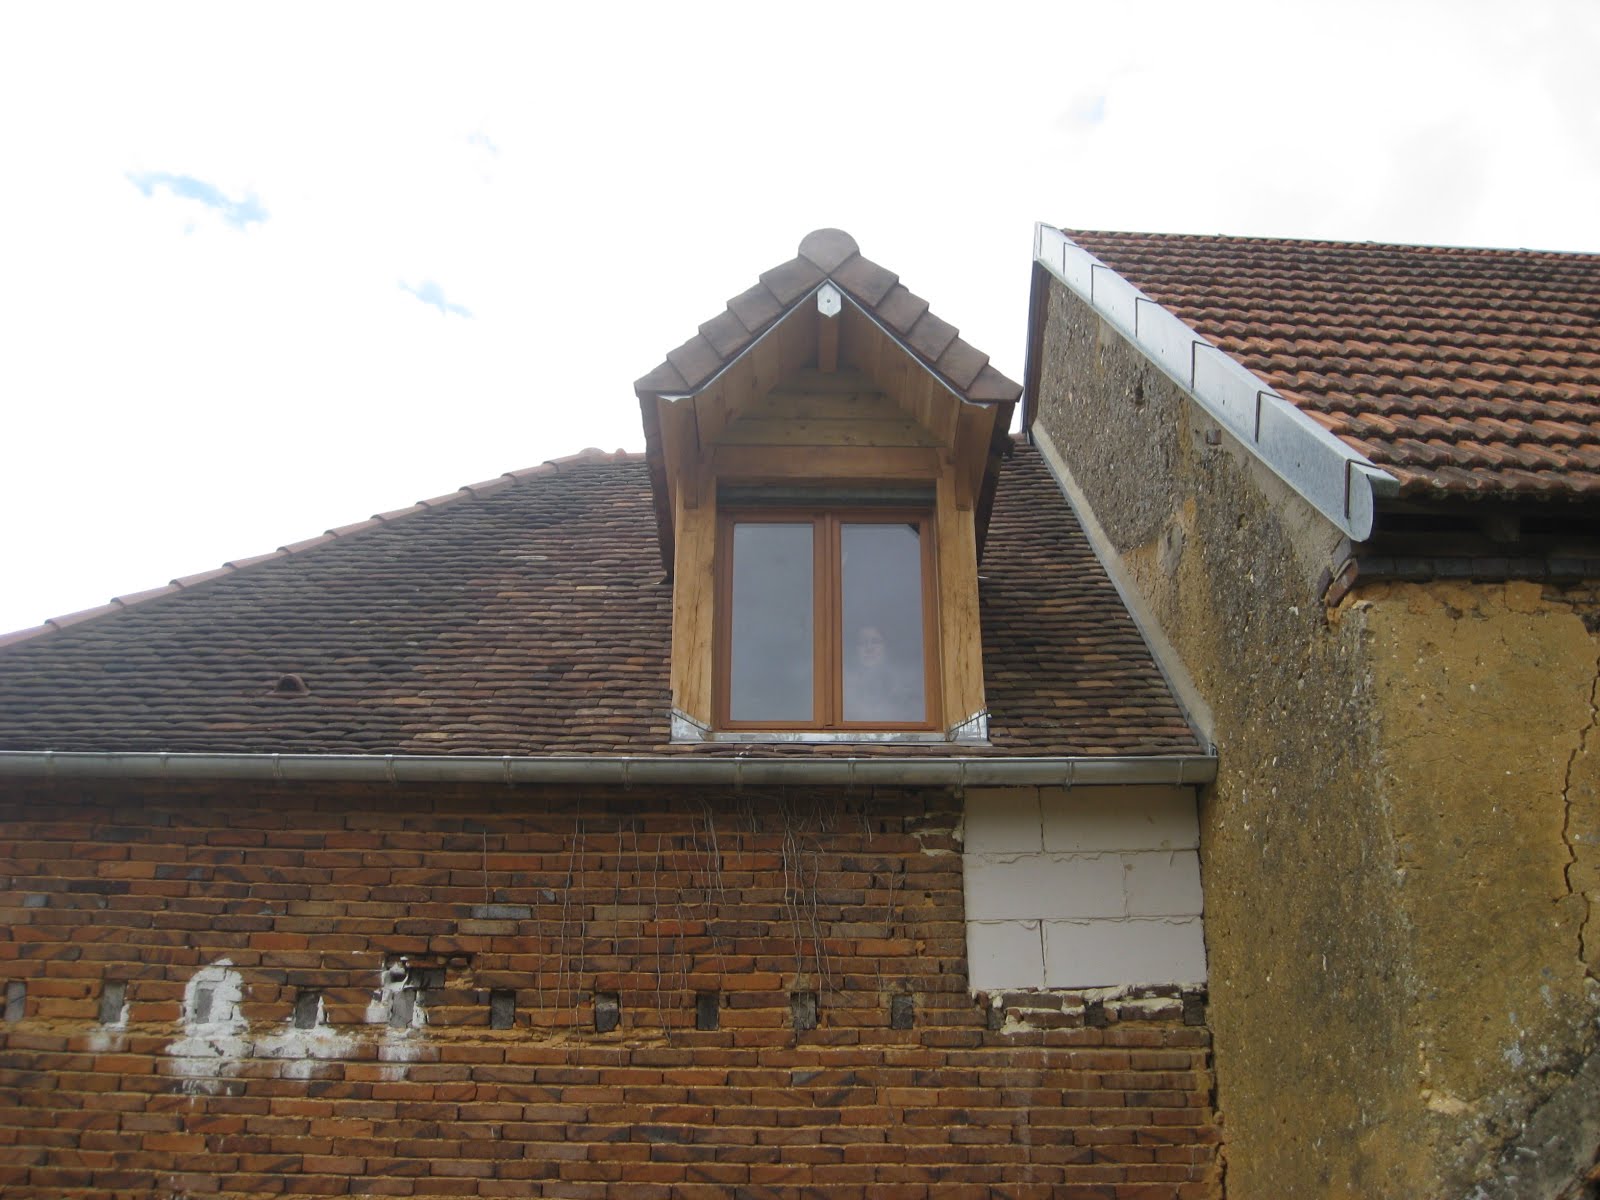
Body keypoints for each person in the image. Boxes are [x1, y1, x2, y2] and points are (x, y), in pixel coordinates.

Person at [843, 624, 921, 722]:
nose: (869, 648)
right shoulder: (845, 688)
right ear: (855, 649)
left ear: (886, 647)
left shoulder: (904, 687)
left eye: (875, 642)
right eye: (862, 642)